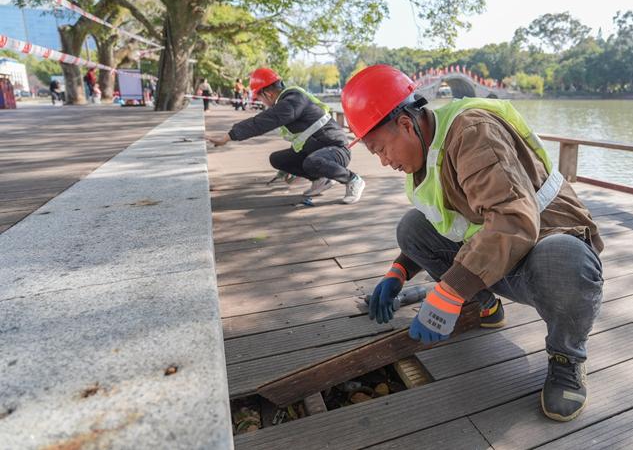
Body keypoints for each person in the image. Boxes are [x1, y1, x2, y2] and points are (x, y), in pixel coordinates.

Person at [341, 65, 604, 422]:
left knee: (566, 258)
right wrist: (398, 272)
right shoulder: (427, 149)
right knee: (411, 228)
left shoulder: (473, 132)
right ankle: (485, 308)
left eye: (381, 149)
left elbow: (513, 219)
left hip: (542, 245)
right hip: (494, 254)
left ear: (405, 124)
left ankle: (567, 358)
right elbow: (443, 224)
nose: (385, 162)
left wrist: (448, 293)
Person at [205, 67, 366, 204]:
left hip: (337, 150)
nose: (261, 102)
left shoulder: (292, 100)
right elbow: (302, 137)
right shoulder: (288, 101)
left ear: (267, 93)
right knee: (278, 159)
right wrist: (290, 166)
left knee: (313, 162)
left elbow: (261, 122)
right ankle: (320, 180)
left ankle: (352, 179)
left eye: (259, 98)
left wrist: (228, 137)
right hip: (317, 148)